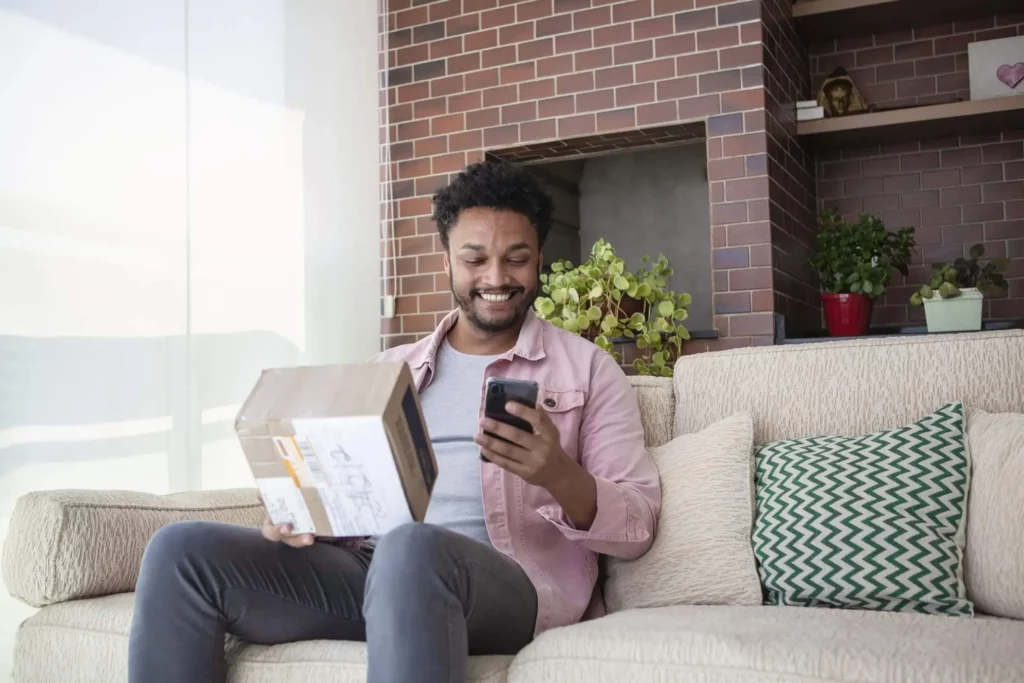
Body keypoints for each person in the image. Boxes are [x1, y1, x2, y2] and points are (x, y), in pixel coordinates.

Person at [128, 160, 661, 683]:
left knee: (412, 546)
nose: (496, 278)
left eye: (515, 259)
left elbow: (637, 525)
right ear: (447, 262)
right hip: (373, 572)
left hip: (507, 585)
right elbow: (351, 507)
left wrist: (557, 474)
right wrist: (304, 512)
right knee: (181, 550)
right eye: (475, 259)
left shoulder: (588, 370)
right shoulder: (387, 371)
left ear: (539, 259)